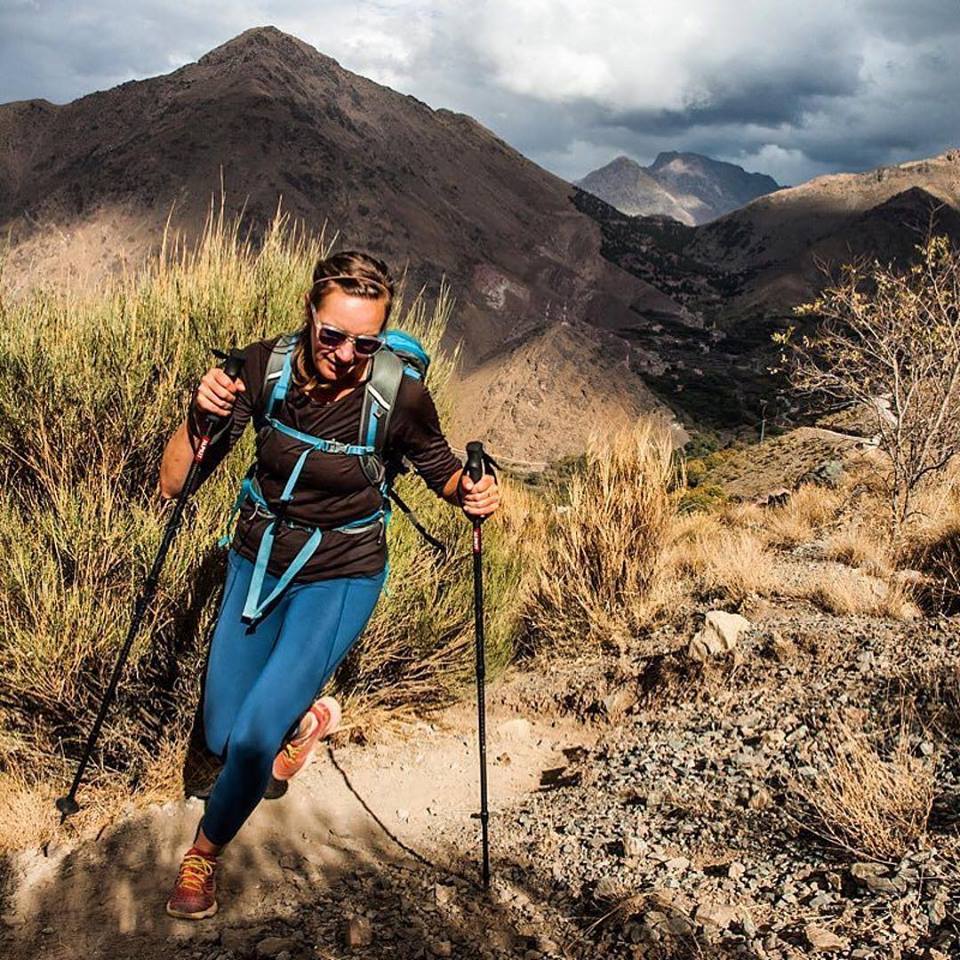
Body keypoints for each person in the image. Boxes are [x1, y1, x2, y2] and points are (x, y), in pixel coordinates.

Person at [158, 251, 500, 920]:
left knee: (251, 738)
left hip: (341, 572)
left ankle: (203, 854)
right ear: (309, 314)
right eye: (333, 335)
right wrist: (200, 414)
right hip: (257, 560)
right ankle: (304, 725)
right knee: (225, 735)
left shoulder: (398, 393)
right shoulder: (265, 368)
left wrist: (475, 492)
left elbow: (445, 474)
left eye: (364, 341)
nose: (347, 353)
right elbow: (175, 482)